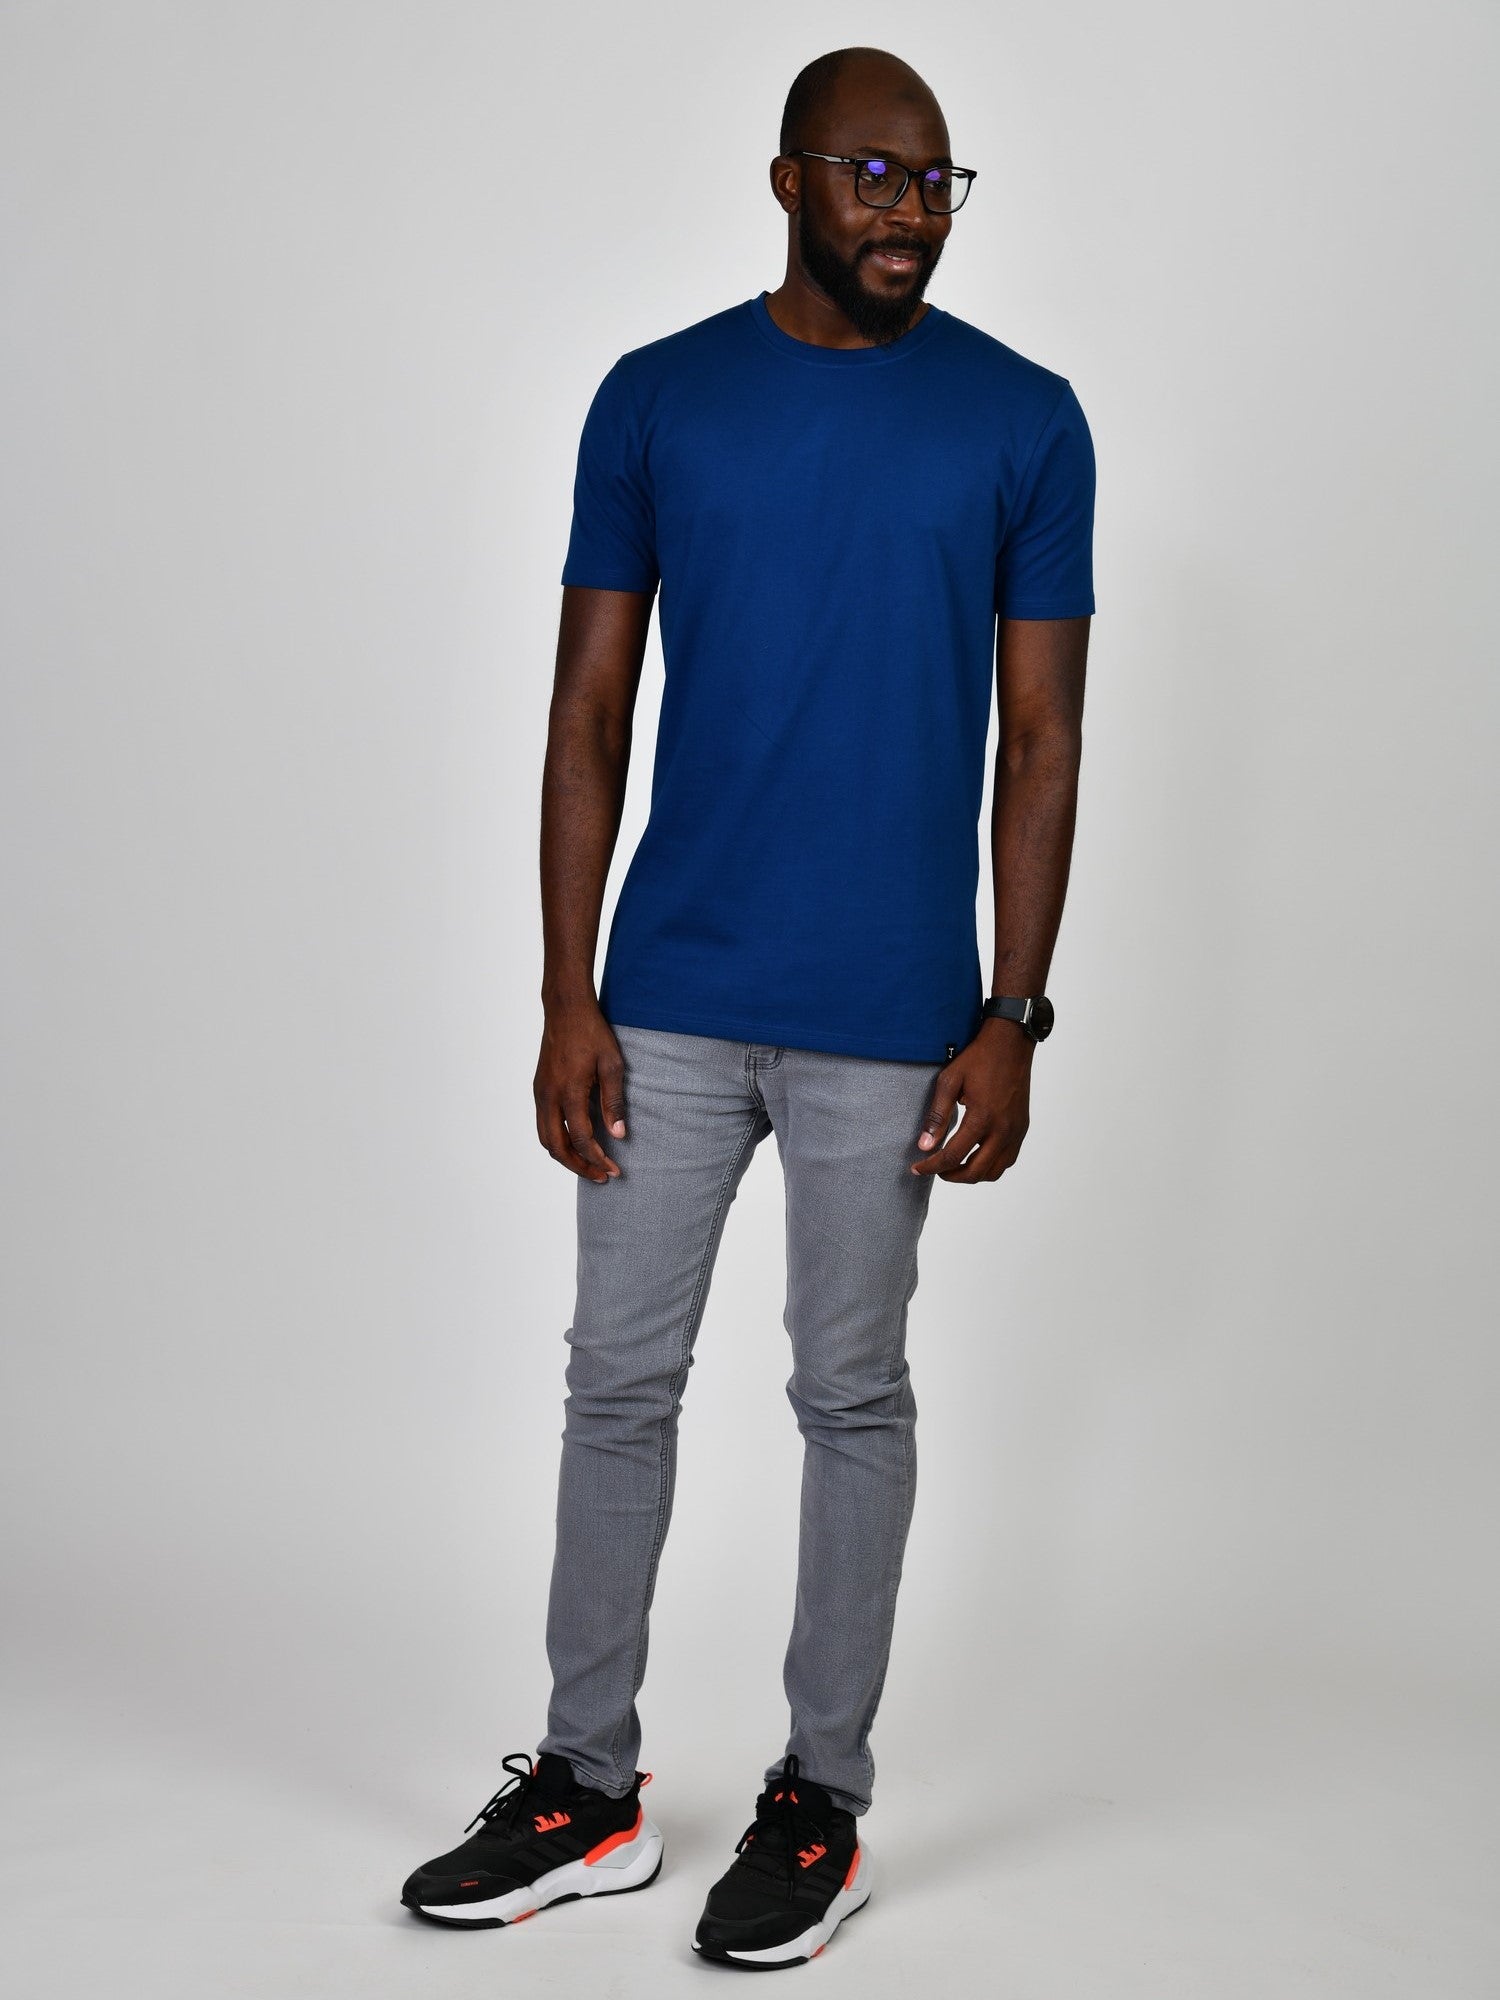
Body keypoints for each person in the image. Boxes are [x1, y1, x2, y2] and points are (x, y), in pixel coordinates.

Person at [400, 43, 1095, 1969]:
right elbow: (586, 722)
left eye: (940, 183)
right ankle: (586, 1785)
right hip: (671, 1002)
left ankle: (822, 1801)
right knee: (614, 1383)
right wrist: (567, 991)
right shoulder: (658, 401)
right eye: (876, 175)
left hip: (897, 1018)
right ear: (788, 180)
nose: (910, 213)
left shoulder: (1026, 421)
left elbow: (1041, 743)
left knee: (849, 1394)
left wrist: (1012, 1017)